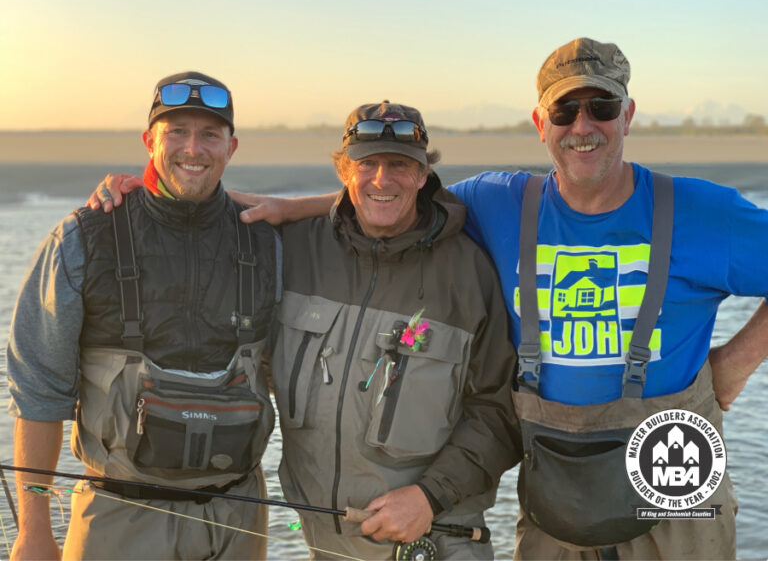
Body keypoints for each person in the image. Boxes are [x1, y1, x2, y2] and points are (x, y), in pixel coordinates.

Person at [166, 39, 768, 559]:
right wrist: (159, 191)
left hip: (678, 481)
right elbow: (390, 199)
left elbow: (394, 192)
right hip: (555, 492)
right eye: (565, 109)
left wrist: (732, 367)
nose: (582, 126)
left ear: (628, 114)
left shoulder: (700, 210)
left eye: (601, 106)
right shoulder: (499, 202)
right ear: (541, 123)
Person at [89, 101, 521, 560]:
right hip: (324, 545)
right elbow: (191, 222)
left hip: (435, 539)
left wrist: (429, 496)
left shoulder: (471, 272)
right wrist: (135, 194)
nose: (382, 178)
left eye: (399, 164)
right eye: (366, 163)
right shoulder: (291, 247)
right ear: (343, 171)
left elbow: (500, 413)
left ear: (422, 176)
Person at [7, 72, 279, 560]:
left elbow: (369, 211)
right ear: (149, 140)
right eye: (176, 131)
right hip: (116, 515)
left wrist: (297, 205)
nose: (193, 148)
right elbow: (38, 391)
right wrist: (33, 531)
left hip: (239, 514)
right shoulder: (83, 237)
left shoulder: (268, 241)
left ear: (231, 147)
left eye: (210, 135)